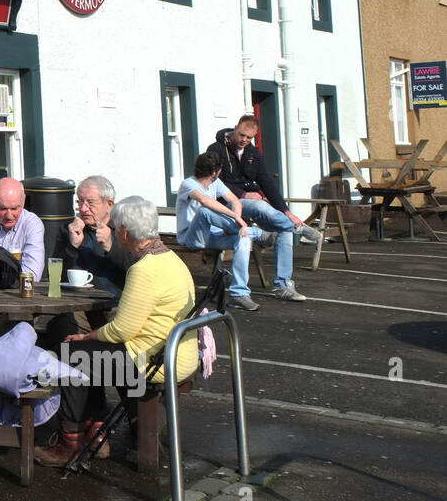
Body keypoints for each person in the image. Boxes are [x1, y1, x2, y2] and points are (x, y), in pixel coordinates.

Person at [34, 196, 197, 467]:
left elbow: (122, 330)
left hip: (152, 361)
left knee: (72, 354)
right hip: (174, 353)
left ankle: (69, 442)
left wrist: (86, 336)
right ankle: (97, 433)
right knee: (89, 353)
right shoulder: (170, 258)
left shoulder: (144, 269)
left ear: (123, 231)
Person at [207, 115, 320, 302]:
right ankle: (298, 227)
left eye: (249, 137)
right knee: (260, 205)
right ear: (235, 128)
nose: (244, 140)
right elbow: (214, 180)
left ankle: (283, 285)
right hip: (226, 204)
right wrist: (242, 194)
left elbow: (266, 182)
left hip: (251, 204)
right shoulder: (216, 149)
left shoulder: (253, 153)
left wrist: (286, 211)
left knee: (283, 228)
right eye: (242, 134)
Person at [176, 152, 271, 311]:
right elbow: (205, 201)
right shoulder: (188, 184)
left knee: (243, 239)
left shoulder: (215, 183)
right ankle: (258, 233)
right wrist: (235, 218)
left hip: (213, 235)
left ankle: (239, 294)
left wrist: (237, 221)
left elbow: (234, 200)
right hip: (191, 238)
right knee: (204, 212)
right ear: (215, 171)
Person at [52, 175, 134, 299]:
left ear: (109, 204)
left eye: (90, 203)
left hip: (115, 302)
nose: (83, 209)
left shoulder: (124, 229)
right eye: (80, 201)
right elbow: (55, 275)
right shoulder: (69, 230)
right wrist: (72, 247)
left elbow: (136, 269)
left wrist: (110, 247)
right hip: (76, 302)